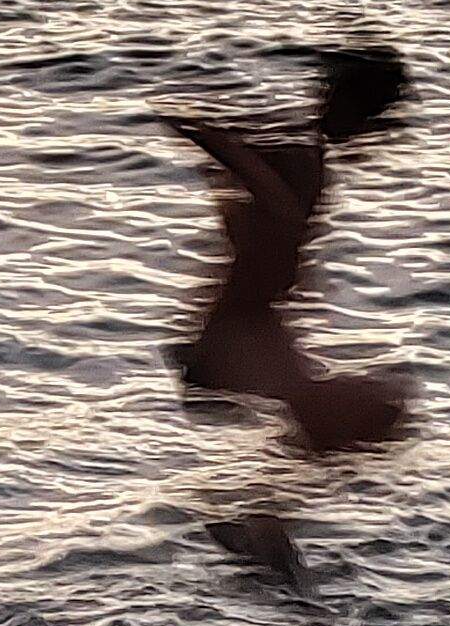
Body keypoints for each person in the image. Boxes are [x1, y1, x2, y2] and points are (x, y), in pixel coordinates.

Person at [161, 46, 416, 457]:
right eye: (374, 117)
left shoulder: (298, 149)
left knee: (363, 418)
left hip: (250, 324)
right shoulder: (303, 156)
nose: (373, 132)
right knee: (372, 415)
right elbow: (271, 209)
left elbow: (264, 208)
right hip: (240, 333)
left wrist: (214, 142)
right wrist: (212, 141)